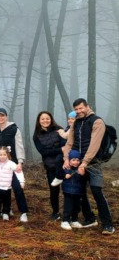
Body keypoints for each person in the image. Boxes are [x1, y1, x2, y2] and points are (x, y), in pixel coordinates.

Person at [62, 98, 115, 235]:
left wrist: (85, 163)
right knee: (80, 191)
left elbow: (94, 145)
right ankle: (90, 218)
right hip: (77, 163)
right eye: (76, 109)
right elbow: (69, 143)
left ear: (87, 106)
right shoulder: (76, 123)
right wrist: (66, 158)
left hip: (93, 163)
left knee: (97, 191)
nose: (78, 111)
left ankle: (108, 224)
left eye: (81, 108)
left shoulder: (97, 122)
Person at [0, 107, 28, 222]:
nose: (0, 118)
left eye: (2, 115)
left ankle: (23, 212)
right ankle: (5, 209)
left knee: (17, 188)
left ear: (6, 116)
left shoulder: (14, 130)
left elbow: (19, 146)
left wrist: (20, 162)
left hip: (13, 164)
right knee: (1, 188)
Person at [33, 111, 65, 220]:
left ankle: (70, 212)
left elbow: (65, 144)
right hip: (50, 167)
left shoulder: (59, 129)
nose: (45, 121)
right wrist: (60, 150)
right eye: (42, 119)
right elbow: (43, 152)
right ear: (39, 121)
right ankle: (55, 212)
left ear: (51, 119)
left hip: (64, 164)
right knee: (54, 190)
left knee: (68, 189)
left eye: (47, 118)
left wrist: (61, 150)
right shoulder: (36, 135)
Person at [0, 146, 25, 221]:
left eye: (4, 154)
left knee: (6, 201)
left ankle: (5, 213)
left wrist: (22, 181)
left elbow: (19, 171)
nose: (2, 156)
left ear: (7, 154)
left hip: (7, 187)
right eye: (1, 155)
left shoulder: (11, 163)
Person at [61, 150, 86, 230]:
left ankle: (74, 220)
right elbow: (60, 175)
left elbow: (84, 180)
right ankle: (65, 220)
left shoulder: (81, 169)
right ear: (69, 160)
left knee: (76, 207)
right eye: (73, 160)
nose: (76, 162)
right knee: (68, 206)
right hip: (68, 191)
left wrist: (82, 175)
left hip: (78, 192)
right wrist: (65, 175)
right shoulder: (66, 168)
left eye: (78, 160)